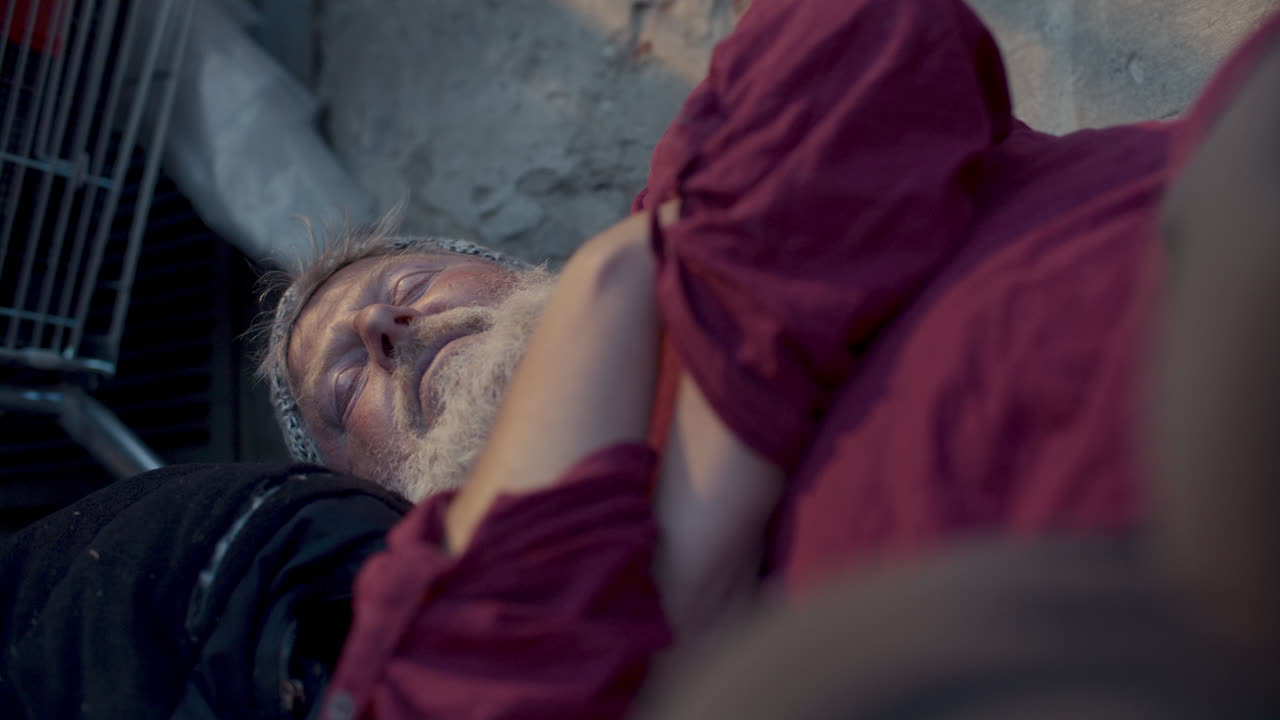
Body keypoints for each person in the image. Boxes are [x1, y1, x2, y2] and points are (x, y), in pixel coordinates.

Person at [253, 0, 1279, 717]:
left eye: (403, 291)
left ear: (521, 277)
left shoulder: (680, 207)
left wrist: (699, 510)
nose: (384, 333)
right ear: (374, 498)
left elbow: (856, 32)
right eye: (346, 388)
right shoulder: (480, 625)